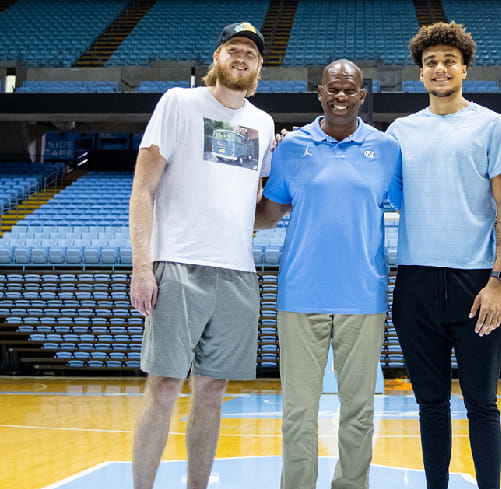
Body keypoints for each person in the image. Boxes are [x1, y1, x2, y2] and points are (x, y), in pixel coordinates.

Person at [129, 22, 274, 489]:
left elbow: (256, 214)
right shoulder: (179, 102)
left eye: (250, 53)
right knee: (165, 386)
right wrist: (142, 267)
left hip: (237, 272)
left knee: (212, 391)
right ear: (217, 56)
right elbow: (143, 188)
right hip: (178, 264)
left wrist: (295, 179)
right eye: (233, 49)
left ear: (259, 66)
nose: (241, 58)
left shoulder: (263, 123)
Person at [254, 59, 402, 489]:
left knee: (360, 410)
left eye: (349, 90)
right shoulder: (291, 148)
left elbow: (413, 205)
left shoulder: (387, 150)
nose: (341, 97)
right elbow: (267, 213)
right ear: (319, 93)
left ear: (361, 95)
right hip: (300, 296)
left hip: (364, 296)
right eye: (332, 89)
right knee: (298, 410)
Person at [386, 22, 501, 489]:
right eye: (430, 62)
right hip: (416, 284)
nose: (439, 68)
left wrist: (498, 281)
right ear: (420, 74)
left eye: (448, 60)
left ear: (464, 67)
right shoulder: (400, 131)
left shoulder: (492, 125)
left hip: (476, 284)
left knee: (482, 402)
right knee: (430, 403)